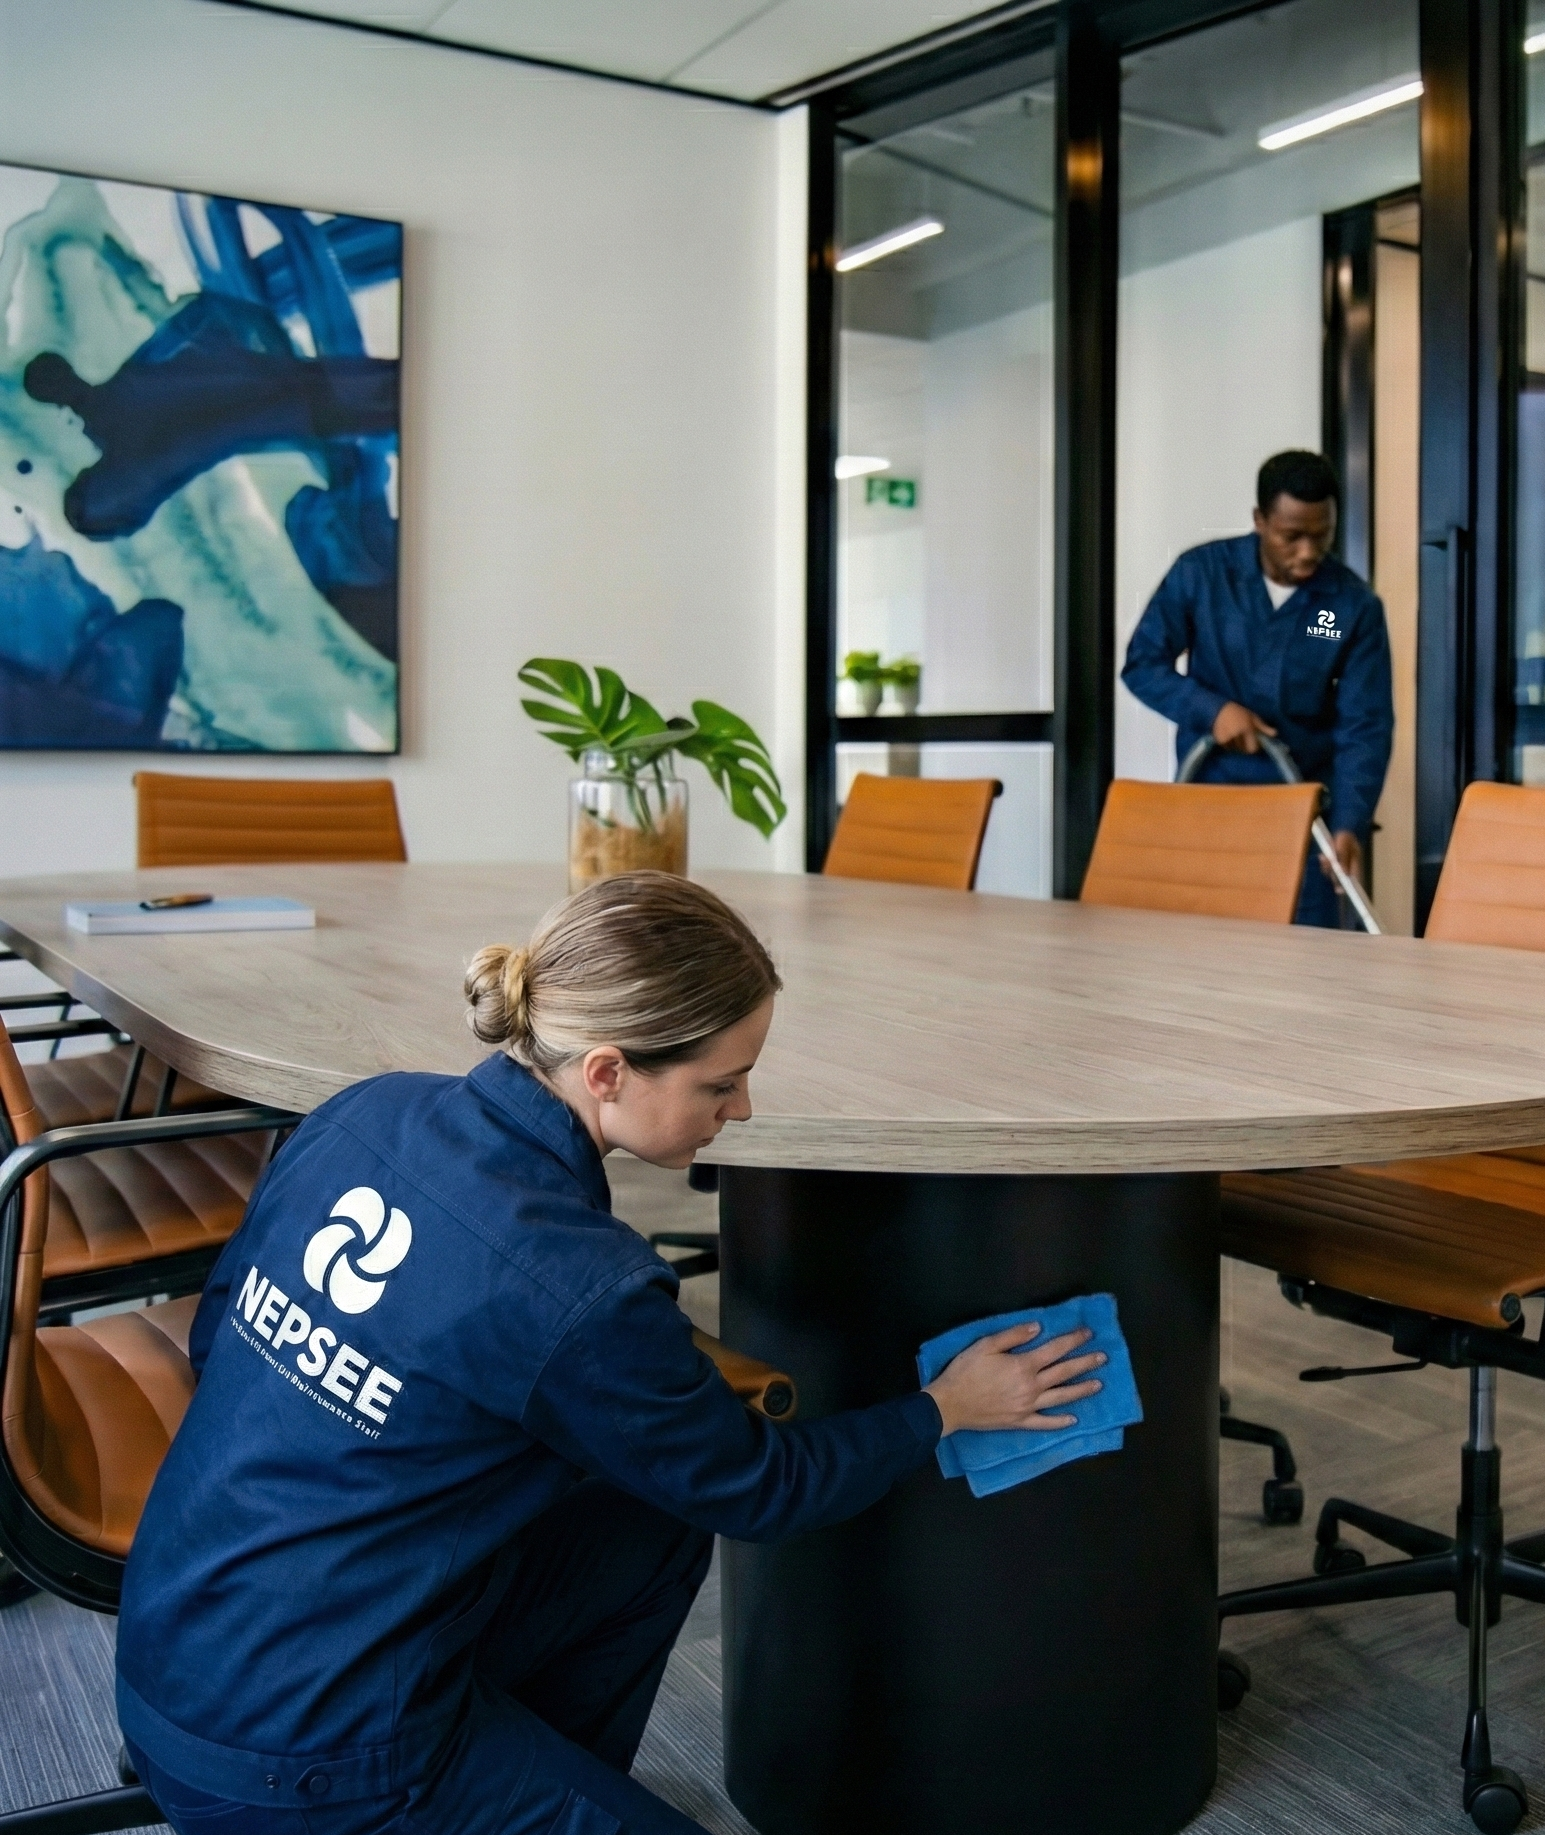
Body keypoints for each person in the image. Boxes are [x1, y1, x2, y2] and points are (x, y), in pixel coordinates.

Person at [115, 872, 1106, 1835]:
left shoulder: (365, 1110)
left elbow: (216, 1333)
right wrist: (944, 1407)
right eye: (721, 1082)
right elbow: (760, 1489)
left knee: (648, 1515)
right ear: (606, 1071)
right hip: (302, 1756)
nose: (744, 1108)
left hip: (170, 1658)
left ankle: (516, 1779)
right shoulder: (580, 1284)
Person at [1121, 449, 1393, 927]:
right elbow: (1143, 665)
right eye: (1292, 537)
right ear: (1260, 521)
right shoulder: (1203, 576)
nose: (1308, 552)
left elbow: (1364, 724)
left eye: (1321, 535)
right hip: (1210, 804)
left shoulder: (1339, 608)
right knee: (1207, 952)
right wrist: (1212, 710)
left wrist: (1351, 822)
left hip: (1305, 817)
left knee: (1309, 965)